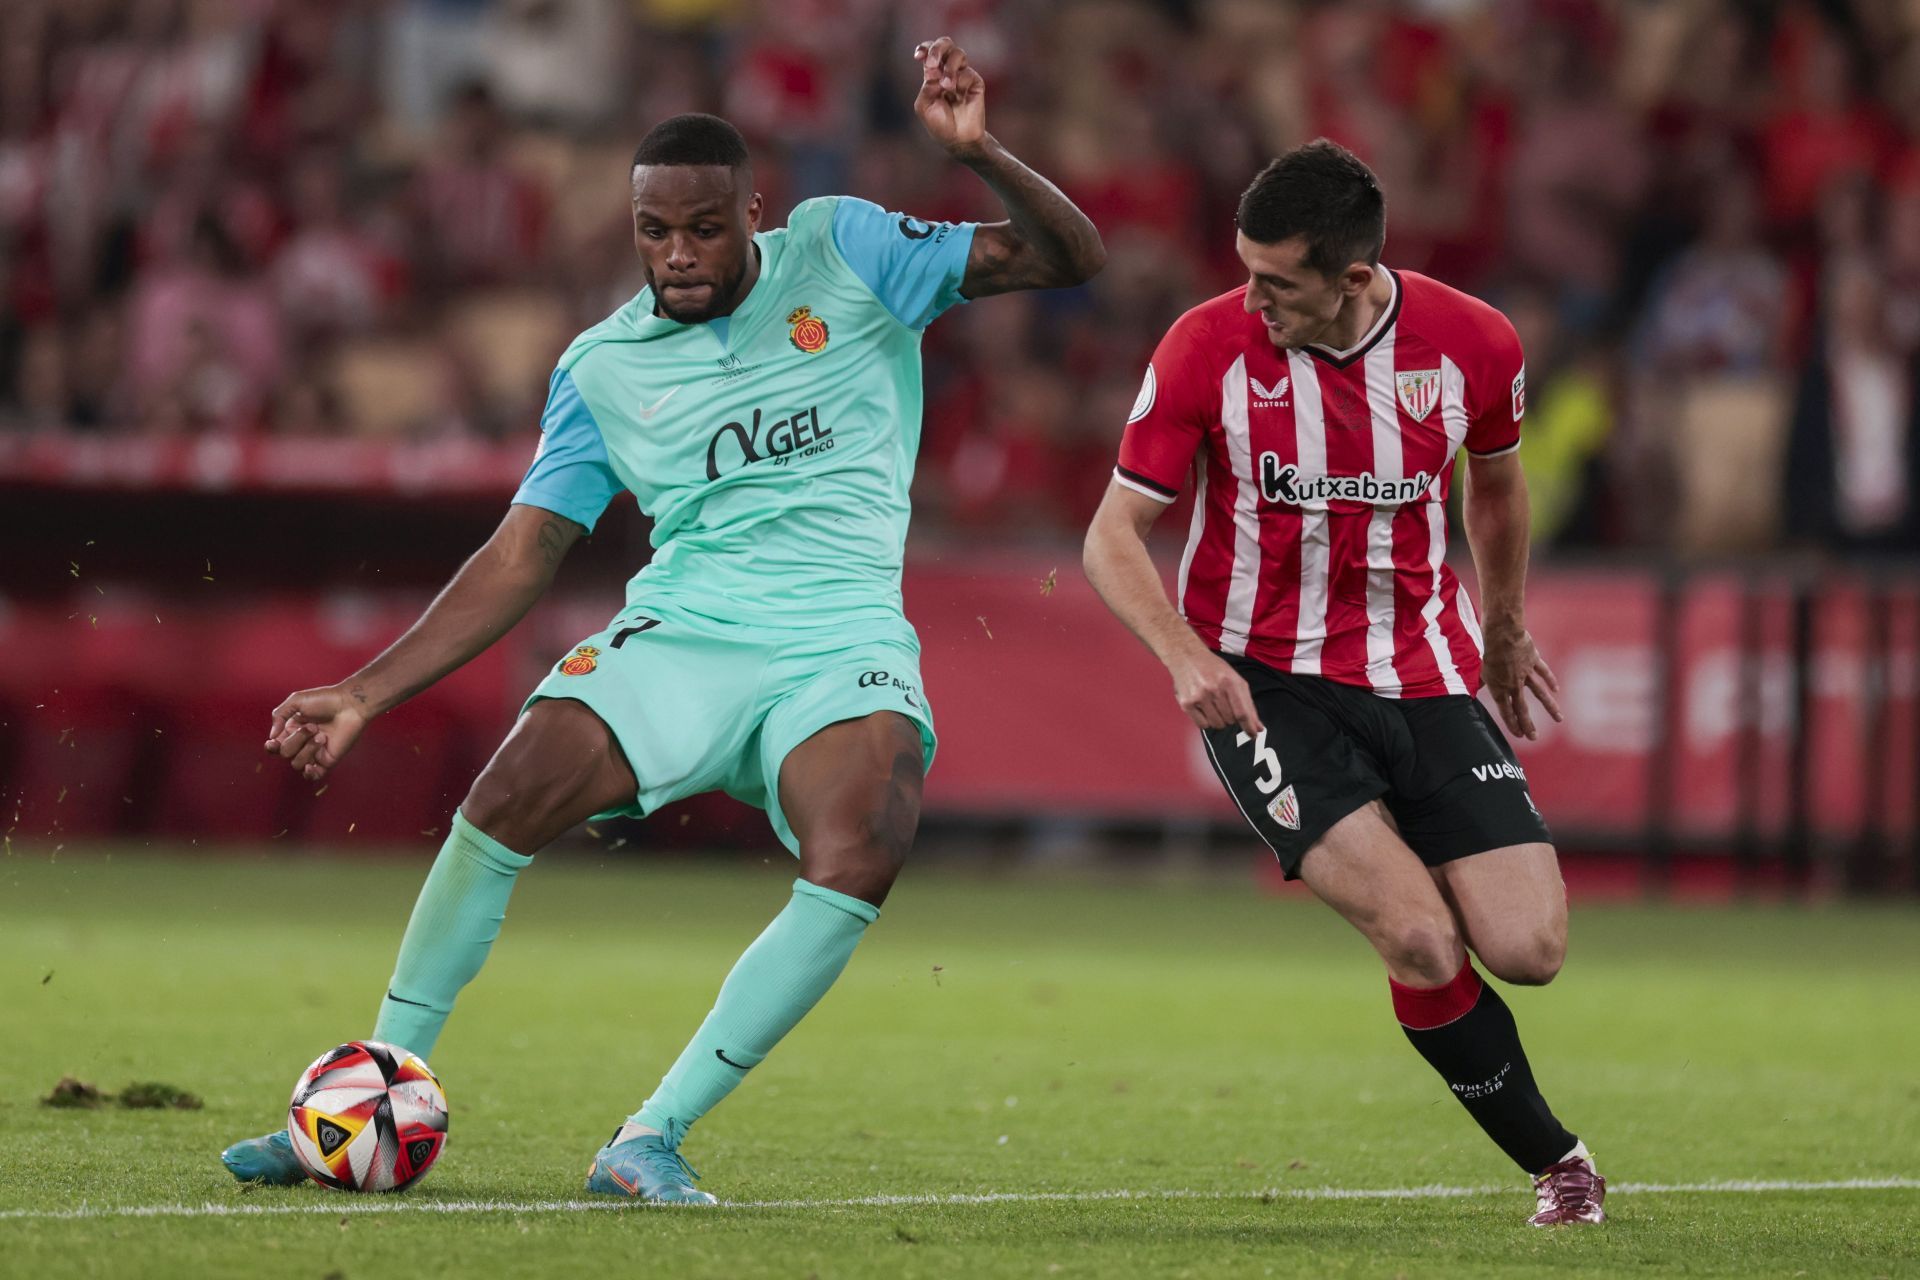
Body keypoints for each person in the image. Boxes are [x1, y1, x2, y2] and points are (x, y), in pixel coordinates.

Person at [221, 37, 1103, 1203]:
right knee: (502, 798)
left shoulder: (845, 249)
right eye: (654, 233)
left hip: (839, 641)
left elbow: (1066, 256)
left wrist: (978, 150)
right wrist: (364, 691)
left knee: (865, 844)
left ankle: (650, 1134)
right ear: (630, 226)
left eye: (702, 228)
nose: (678, 256)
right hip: (685, 633)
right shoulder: (601, 368)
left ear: (753, 212)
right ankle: (359, 1094)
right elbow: (524, 547)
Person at [1081, 140, 1603, 1227]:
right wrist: (1188, 656)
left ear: (1355, 274)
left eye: (1279, 281)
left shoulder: (1472, 342)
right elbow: (1111, 535)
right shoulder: (1205, 347)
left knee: (1529, 948)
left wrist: (1502, 629)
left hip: (1422, 671)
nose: (1252, 297)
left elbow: (1496, 492)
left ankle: (1490, 1052)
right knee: (1417, 934)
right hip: (1267, 684)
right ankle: (1560, 1161)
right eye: (1246, 269)